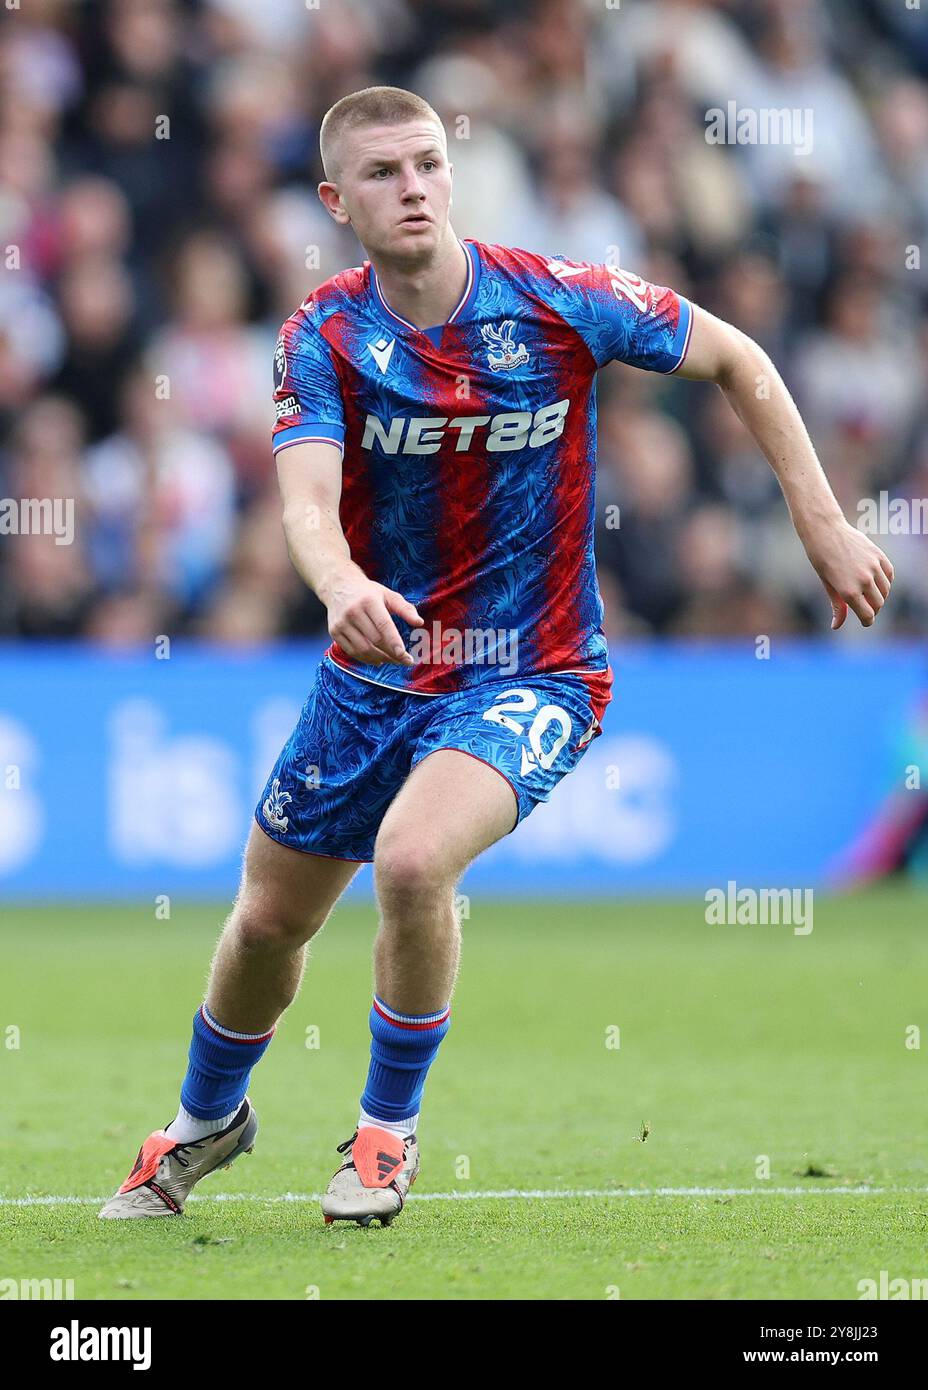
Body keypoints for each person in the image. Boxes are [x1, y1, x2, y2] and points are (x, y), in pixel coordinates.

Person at [100, 86, 894, 1227]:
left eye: (426, 162)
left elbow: (738, 356)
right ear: (337, 200)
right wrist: (341, 589)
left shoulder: (559, 298)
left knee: (415, 861)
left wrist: (818, 516)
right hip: (373, 673)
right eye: (382, 173)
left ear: (452, 173)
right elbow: (305, 505)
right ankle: (203, 1123)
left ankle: (383, 1136)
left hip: (536, 668)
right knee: (269, 918)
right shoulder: (321, 335)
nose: (412, 185)